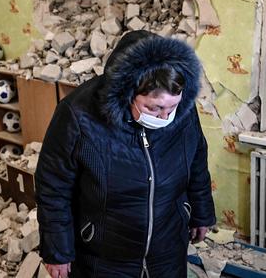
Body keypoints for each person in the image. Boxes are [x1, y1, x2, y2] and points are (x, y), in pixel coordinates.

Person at [35, 30, 216, 278]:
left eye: (172, 107)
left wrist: (201, 213)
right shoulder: (78, 114)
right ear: (128, 91)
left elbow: (196, 160)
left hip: (168, 248)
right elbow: (53, 185)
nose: (166, 117)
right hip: (103, 256)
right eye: (155, 108)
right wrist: (57, 251)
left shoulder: (182, 111)